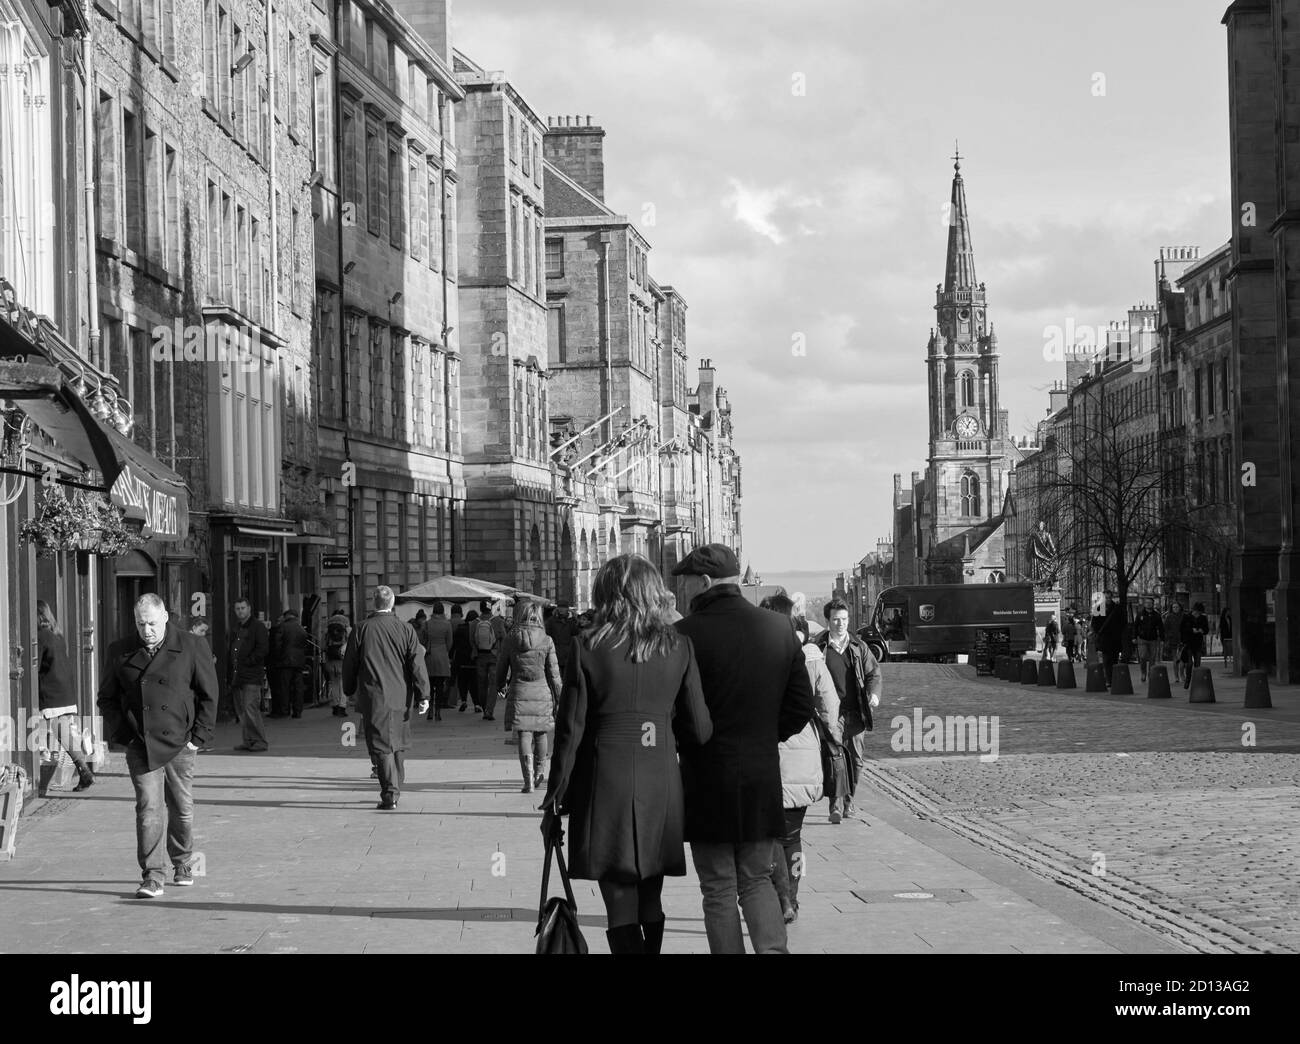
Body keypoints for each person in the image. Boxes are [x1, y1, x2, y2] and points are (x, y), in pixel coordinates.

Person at [540, 554, 712, 955]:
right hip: (660, 783)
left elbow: (570, 732)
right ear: (654, 593)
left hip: (605, 784)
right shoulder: (680, 647)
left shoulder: (587, 648)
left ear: (606, 594)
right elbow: (700, 729)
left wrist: (554, 800)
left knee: (619, 901)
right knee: (651, 895)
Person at [672, 543, 814, 955]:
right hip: (758, 775)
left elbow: (675, 710)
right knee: (756, 879)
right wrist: (764, 736)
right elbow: (801, 706)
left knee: (718, 889)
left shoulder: (683, 635)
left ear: (702, 582)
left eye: (686, 584)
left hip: (705, 776)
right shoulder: (778, 628)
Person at [98, 594, 219, 898]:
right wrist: (124, 734)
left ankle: (182, 863)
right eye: (141, 624)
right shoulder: (119, 651)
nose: (147, 629)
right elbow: (107, 698)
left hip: (180, 742)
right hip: (141, 744)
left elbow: (209, 694)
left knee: (181, 807)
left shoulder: (192, 646)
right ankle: (152, 875)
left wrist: (197, 739)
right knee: (148, 809)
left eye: (152, 623)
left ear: (166, 617)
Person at [760, 596, 839, 925]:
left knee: (769, 839)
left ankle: (780, 898)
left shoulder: (758, 655)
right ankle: (792, 896)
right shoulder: (811, 656)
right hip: (804, 753)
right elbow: (830, 703)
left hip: (767, 755)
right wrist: (830, 736)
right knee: (793, 837)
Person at [343, 586, 430, 810]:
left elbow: (350, 663)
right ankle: (397, 784)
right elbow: (417, 663)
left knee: (381, 745)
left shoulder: (361, 629)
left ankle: (390, 793)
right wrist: (424, 694)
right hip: (401, 695)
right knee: (398, 743)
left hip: (374, 696)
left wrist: (349, 688)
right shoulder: (406, 629)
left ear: (374, 603)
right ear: (392, 604)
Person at [814, 598, 881, 823]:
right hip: (831, 713)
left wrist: (873, 694)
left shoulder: (858, 646)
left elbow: (873, 673)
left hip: (856, 710)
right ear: (827, 621)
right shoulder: (819, 646)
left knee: (856, 760)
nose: (840, 624)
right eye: (835, 620)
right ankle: (835, 803)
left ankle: (849, 802)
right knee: (835, 757)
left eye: (844, 619)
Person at [496, 599, 563, 792]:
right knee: (541, 734)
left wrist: (500, 686)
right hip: (541, 690)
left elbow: (501, 667)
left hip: (519, 689)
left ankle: (528, 782)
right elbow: (554, 674)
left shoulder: (511, 638)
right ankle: (539, 773)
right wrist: (560, 697)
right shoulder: (546, 639)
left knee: (524, 734)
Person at [36, 601, 94, 794]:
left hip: (51, 689)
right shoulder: (57, 634)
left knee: (59, 731)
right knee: (63, 731)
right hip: (64, 688)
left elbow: (34, 664)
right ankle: (81, 769)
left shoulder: (41, 636)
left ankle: (81, 769)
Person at [227, 598, 269, 751]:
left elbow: (263, 649)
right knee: (242, 711)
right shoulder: (236, 627)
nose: (240, 611)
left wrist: (249, 661)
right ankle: (249, 740)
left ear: (249, 608)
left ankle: (259, 741)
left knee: (250, 708)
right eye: (237, 608)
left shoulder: (258, 627)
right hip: (237, 675)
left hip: (251, 675)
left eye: (242, 608)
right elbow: (231, 650)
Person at [474, 599, 509, 721]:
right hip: (494, 656)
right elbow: (504, 639)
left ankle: (484, 707)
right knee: (493, 684)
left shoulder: (474, 623)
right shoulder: (498, 621)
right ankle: (489, 710)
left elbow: (471, 640)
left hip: (480, 657)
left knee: (481, 684)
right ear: (491, 608)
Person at [423, 603, 454, 720]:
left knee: (430, 685)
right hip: (442, 656)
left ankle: (430, 710)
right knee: (440, 685)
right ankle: (438, 711)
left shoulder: (427, 623)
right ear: (442, 612)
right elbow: (450, 642)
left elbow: (423, 640)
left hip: (429, 657)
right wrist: (444, 651)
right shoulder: (447, 624)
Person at [277, 610, 309, 718]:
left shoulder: (283, 627)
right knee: (298, 687)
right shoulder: (301, 628)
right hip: (299, 661)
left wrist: (278, 657)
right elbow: (305, 643)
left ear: (286, 616)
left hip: (285, 661)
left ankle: (285, 710)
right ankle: (298, 711)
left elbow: (278, 644)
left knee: (284, 686)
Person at [1092, 591, 1125, 685]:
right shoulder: (1099, 608)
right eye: (1106, 598)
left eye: (1109, 597)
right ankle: (1109, 679)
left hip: (1115, 638)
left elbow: (1122, 622)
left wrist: (1118, 632)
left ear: (1112, 598)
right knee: (1106, 659)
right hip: (1104, 638)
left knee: (1114, 659)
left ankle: (1113, 678)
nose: (1108, 599)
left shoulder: (1117, 608)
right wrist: (1098, 632)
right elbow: (1094, 623)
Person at [453, 607, 480, 712]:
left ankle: (463, 700)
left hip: (461, 660)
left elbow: (454, 645)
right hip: (473, 659)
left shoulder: (460, 628)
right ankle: (477, 704)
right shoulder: (477, 628)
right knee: (474, 683)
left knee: (462, 681)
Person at [325, 609, 351, 717]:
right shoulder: (348, 629)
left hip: (331, 660)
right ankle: (342, 706)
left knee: (334, 682)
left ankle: (335, 705)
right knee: (343, 683)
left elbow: (323, 645)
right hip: (344, 660)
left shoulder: (327, 630)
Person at [1133, 598, 1164, 682]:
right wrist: (1134, 637)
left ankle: (1151, 673)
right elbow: (1135, 626)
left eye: (1150, 603)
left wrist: (1162, 638)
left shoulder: (1157, 615)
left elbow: (1161, 627)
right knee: (1142, 657)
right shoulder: (1140, 614)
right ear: (1144, 604)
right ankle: (1143, 673)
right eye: (1147, 602)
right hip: (1142, 639)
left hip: (1153, 639)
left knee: (1152, 658)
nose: (1148, 604)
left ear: (1153, 604)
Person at [1180, 602, 1210, 689]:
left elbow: (1206, 630)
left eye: (1200, 613)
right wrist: (1191, 630)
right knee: (1189, 663)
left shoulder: (1203, 618)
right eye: (1197, 612)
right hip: (1188, 642)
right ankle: (1188, 681)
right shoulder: (1186, 617)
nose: (1198, 614)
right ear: (1193, 610)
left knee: (1197, 663)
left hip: (1198, 643)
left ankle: (1197, 681)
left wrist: (1202, 630)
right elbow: (1182, 629)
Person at [1163, 600, 1186, 683]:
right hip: (1173, 640)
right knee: (1175, 659)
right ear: (1171, 608)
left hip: (1183, 640)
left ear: (1180, 608)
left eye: (1177, 607)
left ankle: (1182, 675)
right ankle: (1176, 677)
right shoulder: (1169, 617)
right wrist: (1169, 636)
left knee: (1182, 659)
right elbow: (1165, 629)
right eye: (1173, 607)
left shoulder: (1184, 616)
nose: (1175, 608)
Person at [1219, 605, 1233, 670]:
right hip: (1224, 635)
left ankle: (1230, 659)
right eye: (1228, 611)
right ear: (1226, 612)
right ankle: (1225, 661)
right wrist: (1217, 634)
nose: (1229, 613)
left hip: (1230, 635)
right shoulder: (1222, 618)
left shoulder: (1229, 618)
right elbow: (1220, 627)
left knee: (1230, 647)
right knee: (1225, 648)